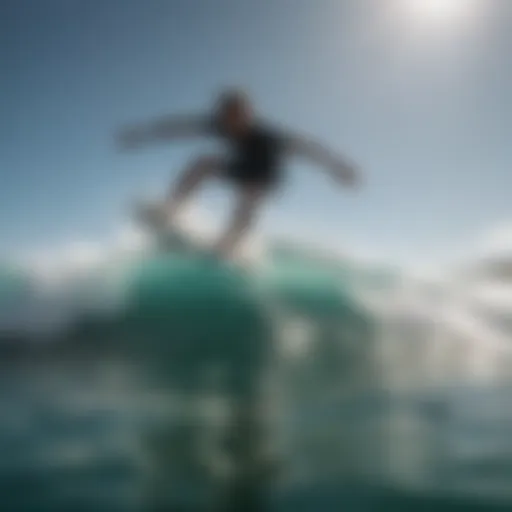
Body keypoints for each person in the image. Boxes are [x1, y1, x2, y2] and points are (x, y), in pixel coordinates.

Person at [117, 89, 361, 258]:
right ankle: (171, 211)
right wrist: (142, 135)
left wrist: (337, 167)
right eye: (228, 116)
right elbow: (178, 127)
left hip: (266, 176)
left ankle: (229, 245)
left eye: (239, 116)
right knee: (202, 163)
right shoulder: (220, 125)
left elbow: (307, 148)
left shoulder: (267, 136)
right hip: (241, 168)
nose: (232, 123)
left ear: (248, 114)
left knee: (248, 198)